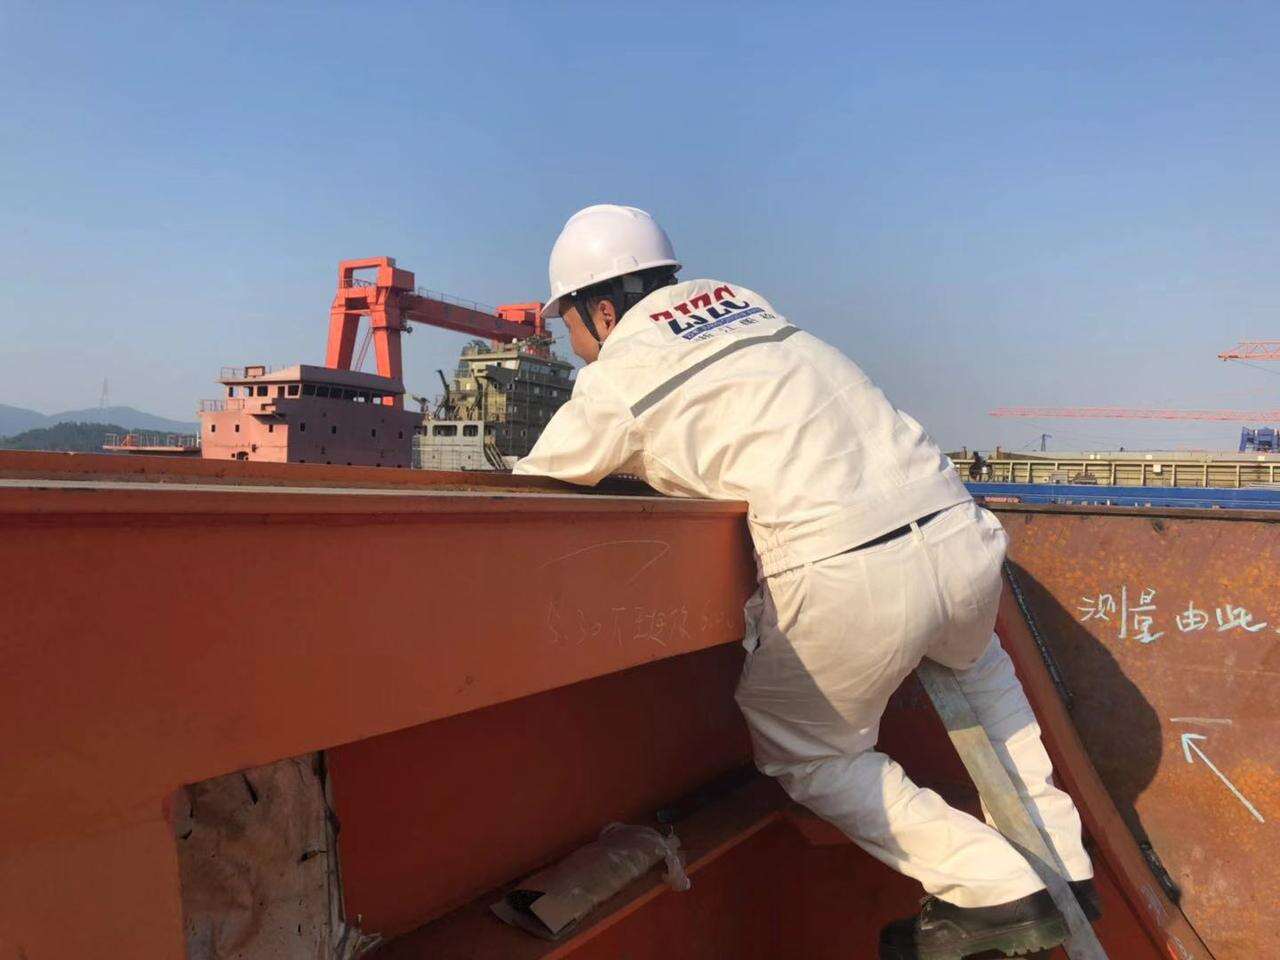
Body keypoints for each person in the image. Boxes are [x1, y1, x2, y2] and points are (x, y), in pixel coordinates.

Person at [514, 204, 1097, 960]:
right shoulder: (758, 316)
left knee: (808, 751)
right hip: (960, 535)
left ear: (600, 310)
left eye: (569, 325)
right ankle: (1063, 864)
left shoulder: (624, 368)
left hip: (848, 572)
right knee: (979, 666)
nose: (574, 346)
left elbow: (542, 478)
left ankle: (996, 888)